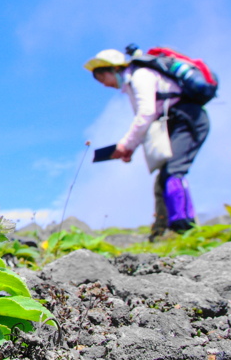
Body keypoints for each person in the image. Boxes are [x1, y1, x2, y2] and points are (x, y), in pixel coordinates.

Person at [84, 48, 210, 239]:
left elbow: (146, 114)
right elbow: (147, 120)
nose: (104, 85)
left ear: (112, 70)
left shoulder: (141, 76)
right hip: (175, 122)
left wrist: (125, 144)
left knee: (173, 172)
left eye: (103, 79)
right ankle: (164, 230)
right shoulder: (132, 84)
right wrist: (129, 148)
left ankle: (184, 227)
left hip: (188, 119)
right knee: (164, 178)